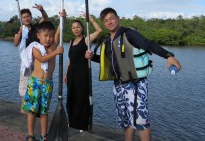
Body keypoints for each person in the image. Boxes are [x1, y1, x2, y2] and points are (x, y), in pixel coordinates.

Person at [86, 8, 181, 141]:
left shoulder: (129, 34)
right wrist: (92, 57)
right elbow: (108, 61)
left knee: (141, 121)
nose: (109, 22)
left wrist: (168, 56)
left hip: (135, 84)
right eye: (106, 20)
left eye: (111, 18)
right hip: (118, 85)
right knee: (126, 120)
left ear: (118, 18)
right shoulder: (107, 41)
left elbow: (148, 44)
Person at [21, 20, 64, 141]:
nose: (48, 39)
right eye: (45, 36)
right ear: (39, 36)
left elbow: (59, 32)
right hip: (35, 83)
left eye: (51, 35)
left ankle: (44, 135)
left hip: (47, 83)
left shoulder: (53, 46)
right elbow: (42, 59)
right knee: (32, 111)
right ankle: (30, 135)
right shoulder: (35, 48)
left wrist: (62, 18)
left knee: (44, 111)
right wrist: (56, 53)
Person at [64, 12, 102, 131]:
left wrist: (90, 19)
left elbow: (99, 31)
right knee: (71, 97)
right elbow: (70, 60)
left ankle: (82, 125)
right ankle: (72, 122)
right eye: (73, 27)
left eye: (78, 27)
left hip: (82, 73)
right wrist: (66, 73)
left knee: (81, 98)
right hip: (71, 73)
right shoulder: (71, 42)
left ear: (82, 28)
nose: (76, 29)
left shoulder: (86, 40)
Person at [13, 4, 48, 110]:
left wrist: (41, 10)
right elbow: (15, 44)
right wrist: (19, 33)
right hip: (25, 61)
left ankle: (34, 108)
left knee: (36, 84)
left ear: (31, 17)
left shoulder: (36, 28)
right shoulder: (20, 30)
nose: (26, 18)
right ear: (21, 19)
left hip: (37, 61)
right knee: (25, 84)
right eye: (24, 17)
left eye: (28, 16)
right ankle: (24, 108)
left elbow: (45, 17)